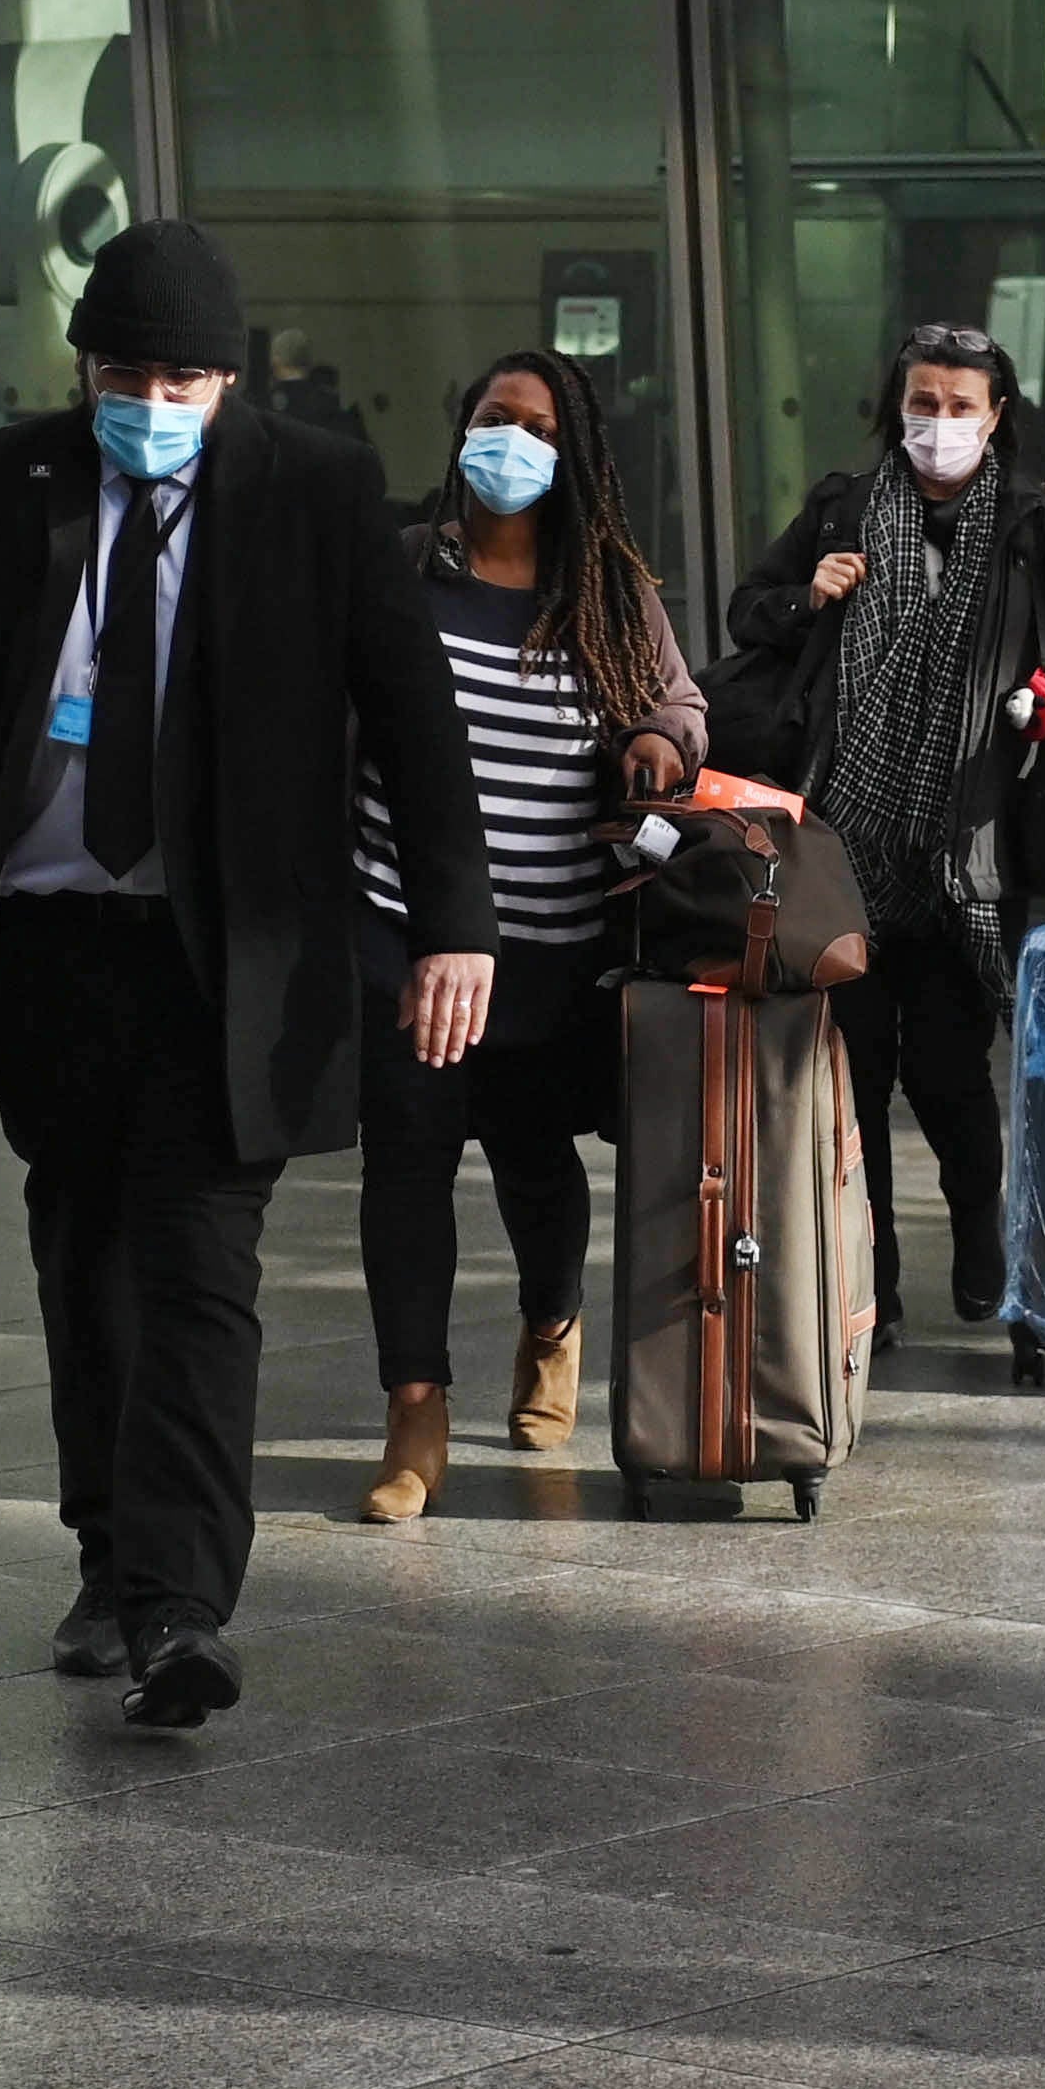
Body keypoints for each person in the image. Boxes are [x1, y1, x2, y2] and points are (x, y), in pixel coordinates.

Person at [0, 220, 492, 1729]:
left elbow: (412, 713)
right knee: (83, 1255)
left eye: (185, 375)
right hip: (51, 942)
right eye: (129, 373)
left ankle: (181, 1604)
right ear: (85, 371)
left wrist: (456, 923)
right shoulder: (0, 485)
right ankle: (107, 1557)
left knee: (195, 1265)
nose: (155, 399)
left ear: (229, 380)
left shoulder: (313, 491)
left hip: (222, 956)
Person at [726, 324, 1045, 1349]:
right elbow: (748, 614)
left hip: (971, 851)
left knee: (951, 1070)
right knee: (856, 1070)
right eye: (925, 401)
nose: (941, 422)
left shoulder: (1035, 521)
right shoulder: (840, 506)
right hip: (845, 846)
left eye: (963, 405)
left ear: (996, 413)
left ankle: (978, 1245)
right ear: (896, 406)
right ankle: (872, 1274)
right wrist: (803, 596)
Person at [354, 351, 705, 1522]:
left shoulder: (606, 589)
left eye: (537, 425)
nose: (510, 440)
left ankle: (552, 1324)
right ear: (461, 430)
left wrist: (658, 744)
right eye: (493, 418)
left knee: (532, 1160)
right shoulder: (405, 567)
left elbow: (679, 703)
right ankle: (416, 1414)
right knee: (406, 1159)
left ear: (574, 454)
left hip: (546, 947)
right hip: (401, 928)